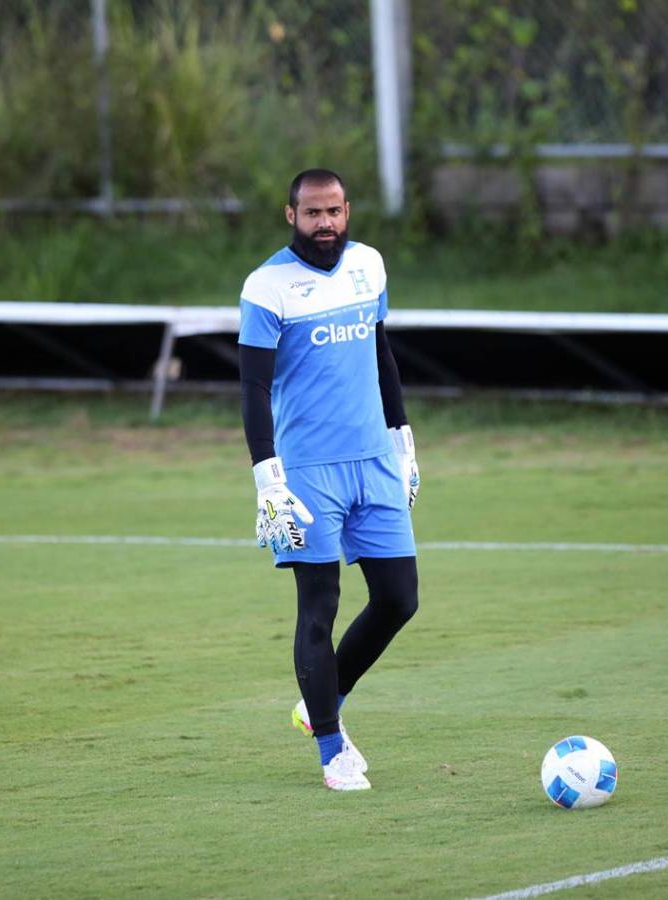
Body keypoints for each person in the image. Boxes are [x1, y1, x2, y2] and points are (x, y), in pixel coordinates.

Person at [238, 168, 420, 791]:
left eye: (334, 211)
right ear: (290, 214)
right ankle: (331, 747)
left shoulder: (369, 265)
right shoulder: (267, 287)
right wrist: (268, 477)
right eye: (313, 212)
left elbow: (381, 353)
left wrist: (402, 438)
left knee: (399, 599)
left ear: (348, 211)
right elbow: (253, 387)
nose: (325, 223)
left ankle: (321, 702)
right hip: (308, 473)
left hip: (374, 461)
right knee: (318, 608)